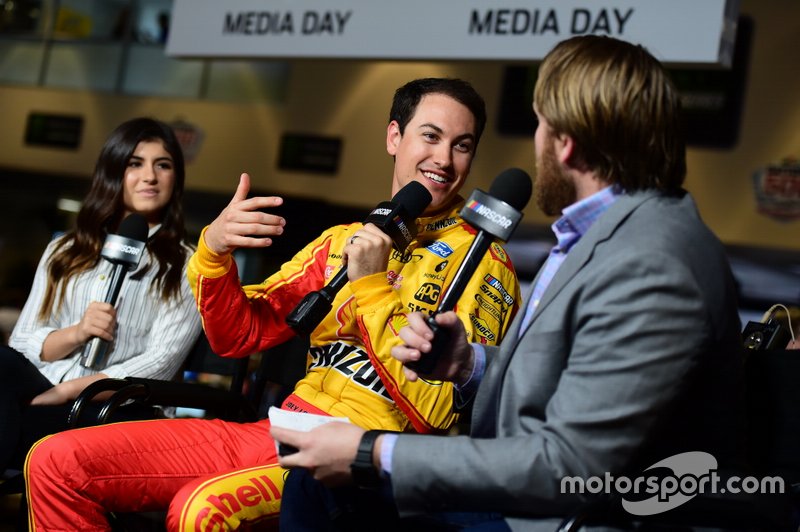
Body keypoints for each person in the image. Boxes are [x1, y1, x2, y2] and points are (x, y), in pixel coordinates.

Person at [270, 35, 745, 530]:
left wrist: (374, 451)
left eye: (540, 124)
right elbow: (573, 381)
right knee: (315, 486)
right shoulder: (611, 235)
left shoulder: (653, 261)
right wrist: (469, 363)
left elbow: (571, 467)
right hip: (540, 498)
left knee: (327, 488)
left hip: (575, 515)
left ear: (568, 141)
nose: (535, 141)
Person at [24, 77, 522, 530]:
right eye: (430, 137)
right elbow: (239, 334)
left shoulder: (484, 259)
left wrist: (370, 286)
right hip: (277, 430)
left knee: (200, 511)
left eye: (462, 146)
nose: (444, 159)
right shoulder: (342, 241)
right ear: (395, 138)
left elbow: (434, 412)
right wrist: (214, 253)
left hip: (359, 461)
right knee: (53, 462)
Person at [0, 117, 202, 474]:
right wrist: (76, 333)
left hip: (117, 408)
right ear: (113, 171)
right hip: (41, 387)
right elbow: (21, 342)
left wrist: (70, 391)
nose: (150, 177)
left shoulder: (188, 264)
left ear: (176, 177)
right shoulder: (65, 249)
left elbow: (159, 365)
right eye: (135, 163)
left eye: (163, 165)